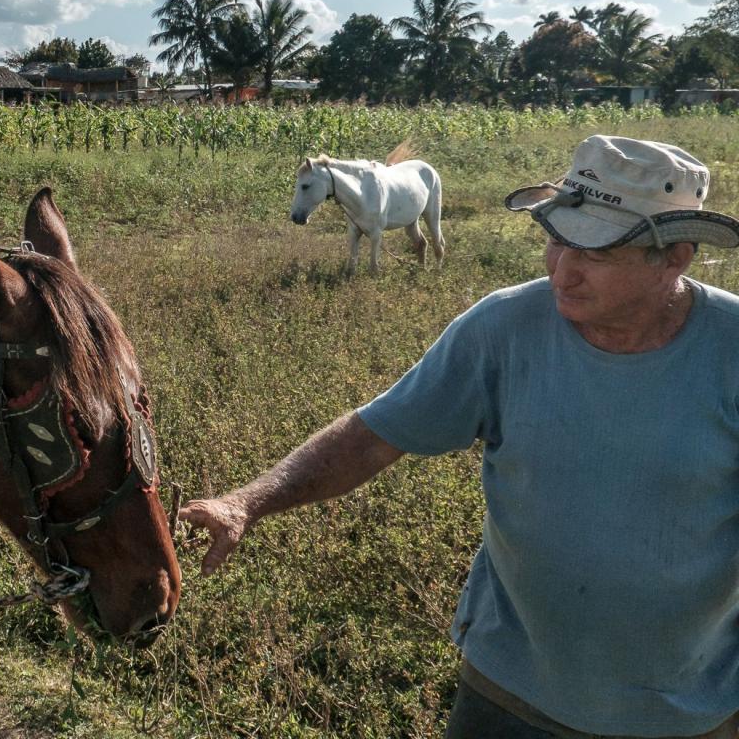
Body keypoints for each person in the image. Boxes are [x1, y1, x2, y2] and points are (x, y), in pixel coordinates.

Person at [179, 135, 739, 738]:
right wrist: (248, 501)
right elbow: (373, 434)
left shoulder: (729, 350)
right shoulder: (503, 328)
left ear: (675, 257)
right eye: (556, 239)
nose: (562, 270)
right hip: (511, 690)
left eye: (596, 253)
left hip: (687, 707)